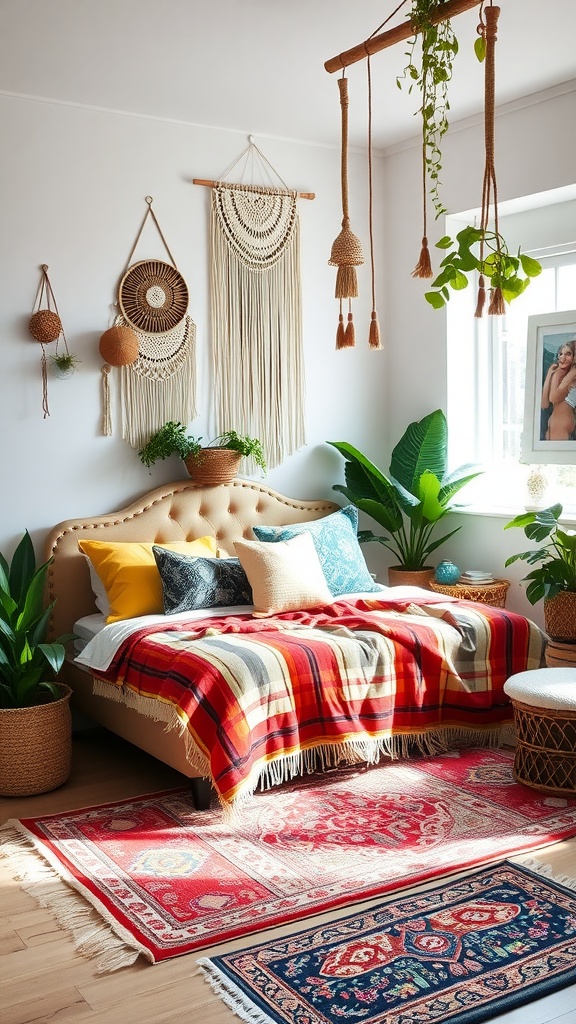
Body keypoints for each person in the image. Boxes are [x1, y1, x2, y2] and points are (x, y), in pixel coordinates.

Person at [541, 340, 576, 440]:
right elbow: (544, 404)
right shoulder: (558, 373)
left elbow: (553, 399)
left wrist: (555, 375)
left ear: (574, 357)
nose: (563, 358)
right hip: (554, 422)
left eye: (568, 354)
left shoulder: (573, 373)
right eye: (561, 354)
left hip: (562, 422)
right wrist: (549, 375)